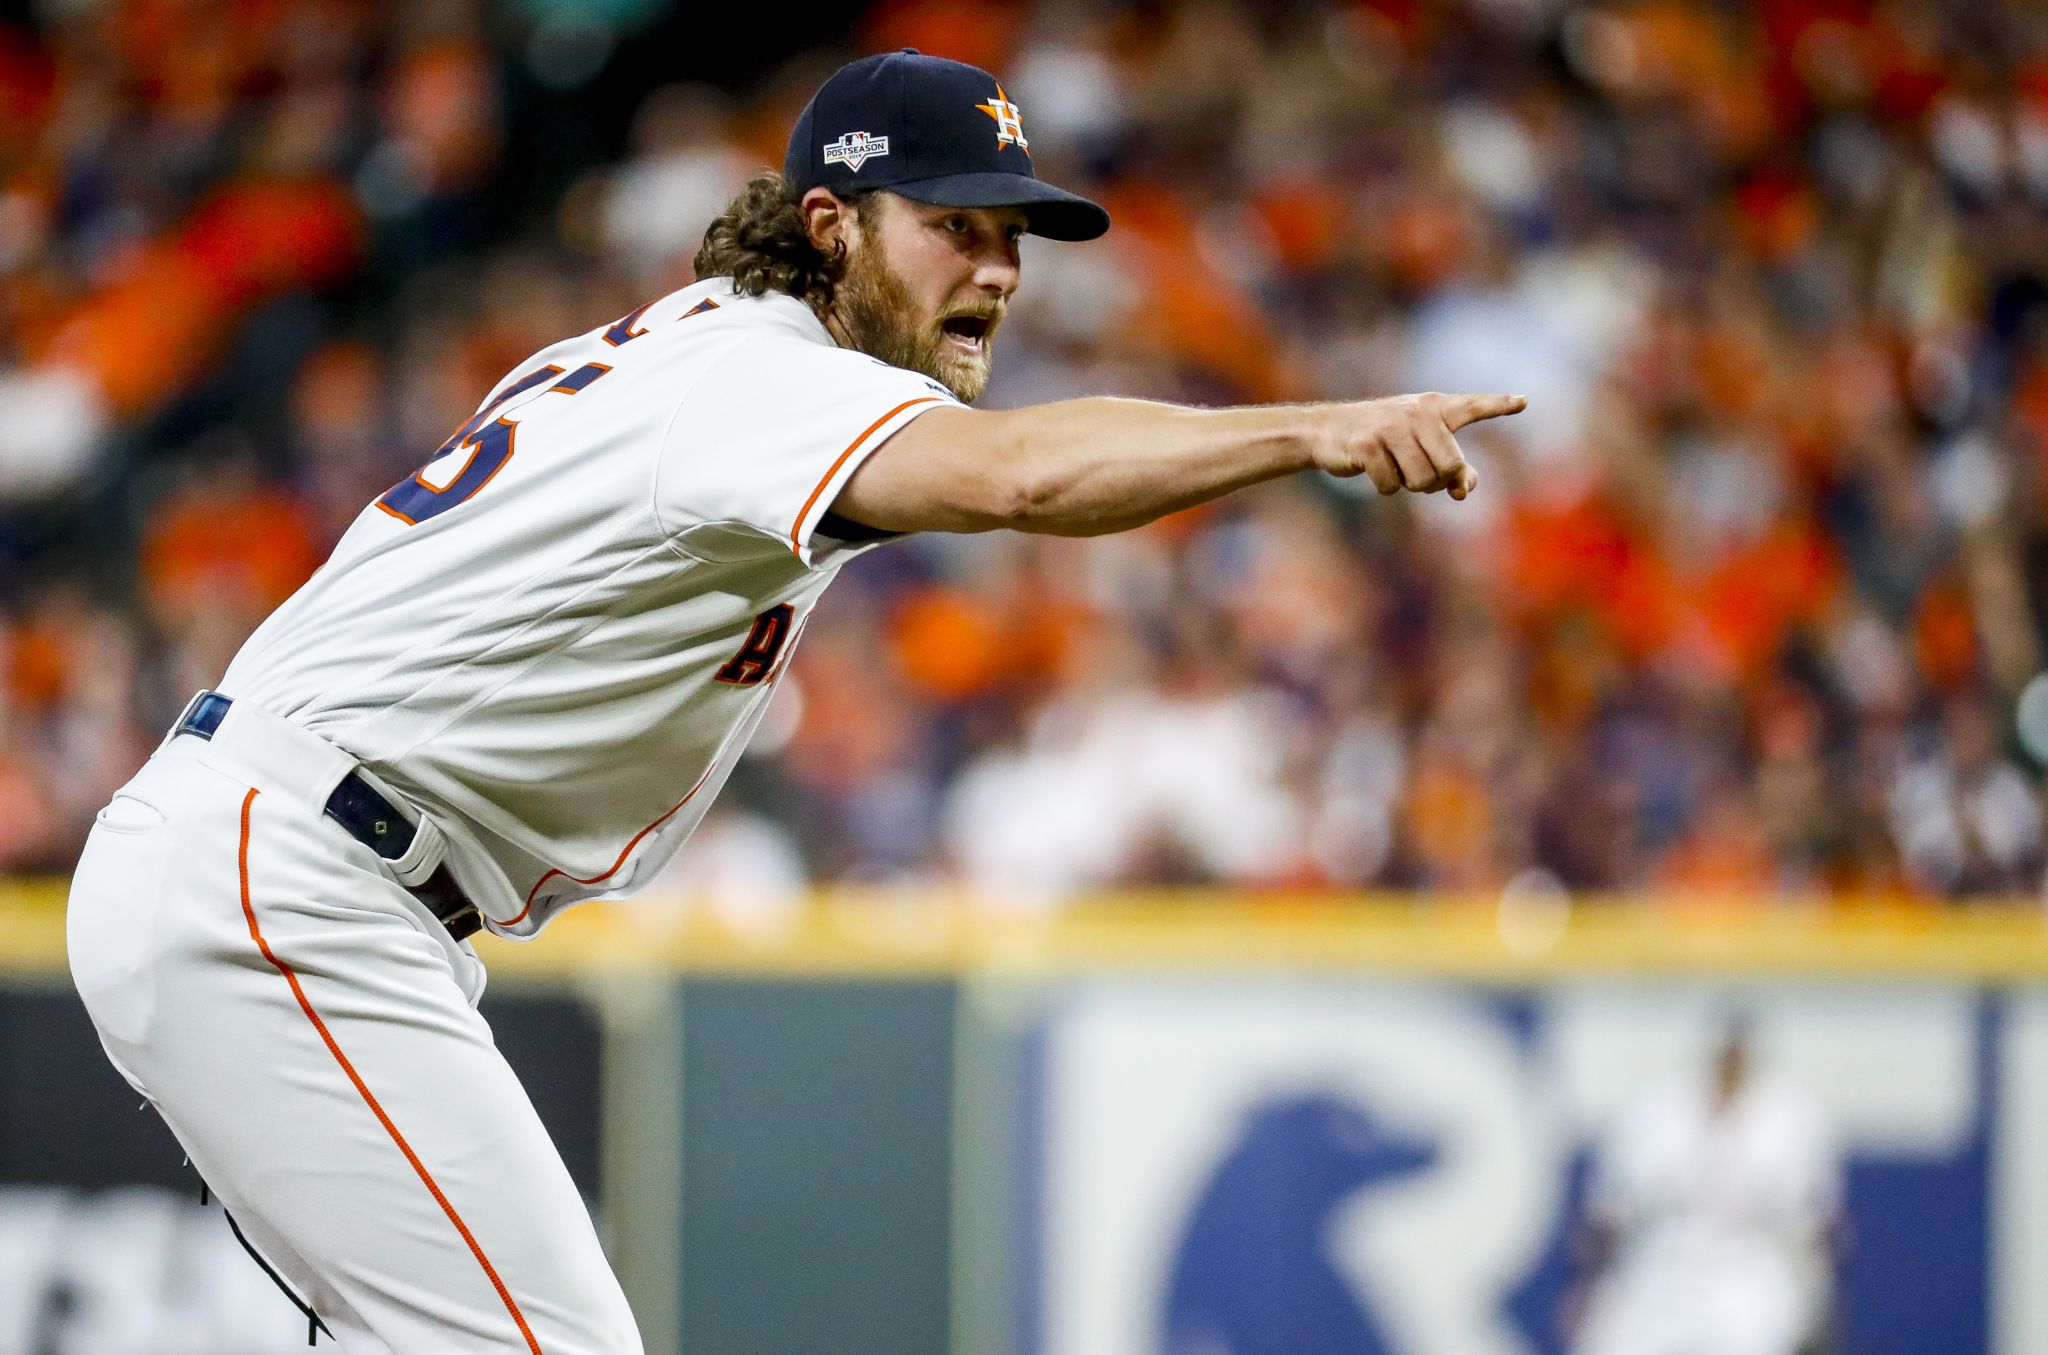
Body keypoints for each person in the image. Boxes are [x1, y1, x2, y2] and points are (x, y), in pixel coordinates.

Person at [64, 49, 1525, 1354]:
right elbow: (1020, 475)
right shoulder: (759, 375)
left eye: (1012, 236)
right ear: (831, 228)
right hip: (294, 875)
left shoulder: (694, 357)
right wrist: (1310, 426)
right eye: (955, 225)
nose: (1001, 269)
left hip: (292, 866)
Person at [1568, 1021, 1845, 1355]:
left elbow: (1821, 1230)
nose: (1732, 1060)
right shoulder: (1654, 1114)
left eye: (1740, 1052)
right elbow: (1607, 1218)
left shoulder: (1793, 1120)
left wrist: (1822, 1304)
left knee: (1771, 1325)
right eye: (1726, 1051)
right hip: (1663, 1267)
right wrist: (1586, 1287)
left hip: (1748, 1272)